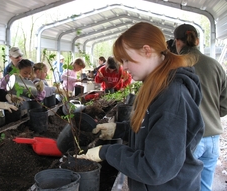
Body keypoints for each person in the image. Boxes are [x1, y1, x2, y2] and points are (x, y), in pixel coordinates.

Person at [77, 22, 205, 191]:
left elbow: (155, 169)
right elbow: (153, 129)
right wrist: (119, 129)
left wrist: (106, 152)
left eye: (127, 59)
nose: (125, 67)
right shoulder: (156, 86)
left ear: (147, 50)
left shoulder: (172, 96)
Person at [174, 24, 227, 191]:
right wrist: (211, 115)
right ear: (196, 41)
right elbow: (225, 104)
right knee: (205, 186)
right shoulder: (215, 65)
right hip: (213, 138)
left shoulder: (175, 66)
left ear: (177, 42)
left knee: (182, 185)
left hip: (189, 137)